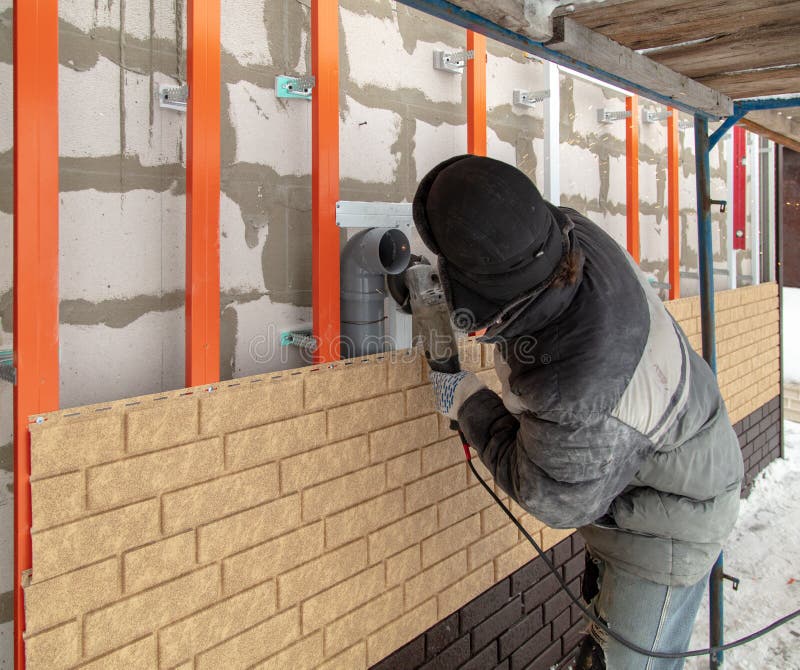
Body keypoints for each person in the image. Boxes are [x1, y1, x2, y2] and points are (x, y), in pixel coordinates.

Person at [416, 155, 743, 670]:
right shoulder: (569, 236)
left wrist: (466, 400)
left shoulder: (576, 388)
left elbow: (554, 500)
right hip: (666, 461)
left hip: (673, 523)